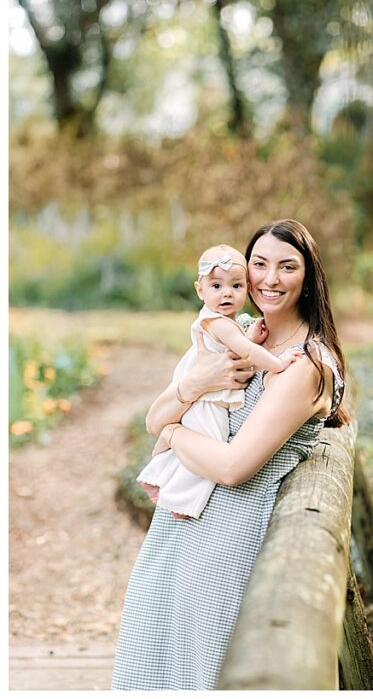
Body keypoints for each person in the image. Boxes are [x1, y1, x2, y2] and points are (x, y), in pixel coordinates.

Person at [112, 219, 350, 690]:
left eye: (287, 267)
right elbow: (150, 418)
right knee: (152, 661)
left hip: (231, 541)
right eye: (258, 264)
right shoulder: (239, 335)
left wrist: (174, 431)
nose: (269, 279)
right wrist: (198, 383)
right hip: (181, 528)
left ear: (308, 278)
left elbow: (231, 466)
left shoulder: (305, 364)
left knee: (208, 674)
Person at [136, 244, 303, 519]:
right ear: (200, 290)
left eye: (236, 286)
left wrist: (249, 339)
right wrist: (279, 362)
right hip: (206, 399)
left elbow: (237, 348)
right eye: (216, 286)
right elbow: (244, 351)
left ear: (246, 287)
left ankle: (168, 482)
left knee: (196, 443)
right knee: (206, 445)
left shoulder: (227, 322)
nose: (227, 293)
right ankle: (176, 496)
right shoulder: (220, 322)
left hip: (204, 395)